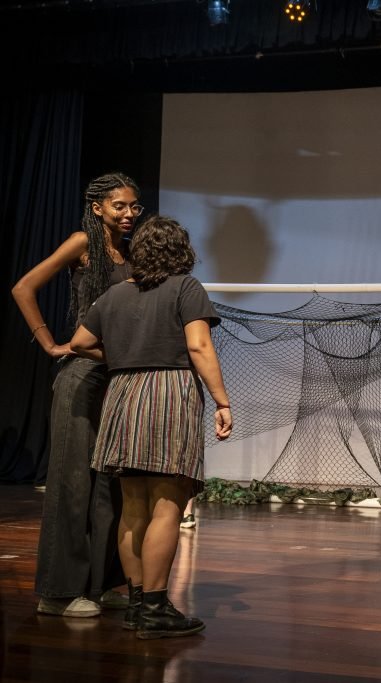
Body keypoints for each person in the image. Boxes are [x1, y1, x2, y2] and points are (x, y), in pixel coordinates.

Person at [70, 215, 232, 639]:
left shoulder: (114, 294)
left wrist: (121, 355)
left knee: (133, 506)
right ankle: (157, 608)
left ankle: (138, 604)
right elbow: (199, 345)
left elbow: (79, 343)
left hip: (123, 394)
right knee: (167, 504)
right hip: (168, 392)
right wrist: (222, 400)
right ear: (182, 251)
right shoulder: (185, 287)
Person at [11, 172, 141, 618]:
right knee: (72, 483)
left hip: (116, 377)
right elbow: (23, 287)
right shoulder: (80, 242)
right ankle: (58, 592)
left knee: (109, 482)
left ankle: (100, 584)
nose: (128, 213)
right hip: (82, 376)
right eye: (120, 206)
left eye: (134, 206)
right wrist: (49, 343)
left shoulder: (128, 252)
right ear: (98, 207)